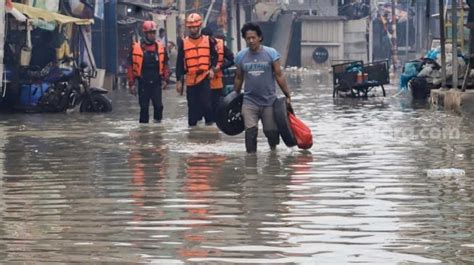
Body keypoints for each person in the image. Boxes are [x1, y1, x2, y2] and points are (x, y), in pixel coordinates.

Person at [234, 22, 292, 153]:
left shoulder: (271, 54)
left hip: (269, 102)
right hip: (249, 101)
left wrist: (287, 94)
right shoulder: (241, 56)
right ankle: (251, 162)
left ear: (260, 37)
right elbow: (238, 78)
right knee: (250, 132)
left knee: (271, 131)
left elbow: (279, 75)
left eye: (253, 37)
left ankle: (273, 152)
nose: (251, 41)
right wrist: (234, 97)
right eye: (248, 38)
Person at [176, 13, 218, 127]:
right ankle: (193, 132)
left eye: (195, 27)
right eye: (191, 27)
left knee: (207, 105)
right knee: (192, 108)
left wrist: (212, 70)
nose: (193, 29)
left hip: (204, 77)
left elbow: (215, 56)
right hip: (190, 79)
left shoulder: (208, 40)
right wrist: (179, 81)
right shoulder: (183, 43)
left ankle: (210, 127)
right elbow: (179, 63)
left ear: (199, 26)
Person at [127, 20, 169, 123]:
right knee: (144, 108)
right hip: (143, 82)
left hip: (156, 82)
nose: (152, 35)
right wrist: (131, 83)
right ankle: (143, 132)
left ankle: (157, 128)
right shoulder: (136, 48)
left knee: (159, 106)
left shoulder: (160, 48)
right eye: (150, 33)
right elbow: (130, 67)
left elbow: (165, 65)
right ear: (145, 33)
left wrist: (165, 79)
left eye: (154, 33)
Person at [201, 27, 234, 123]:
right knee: (205, 107)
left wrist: (220, 67)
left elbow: (232, 59)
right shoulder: (199, 46)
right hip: (202, 82)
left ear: (212, 37)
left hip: (216, 82)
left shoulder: (220, 46)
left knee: (215, 106)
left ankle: (214, 127)